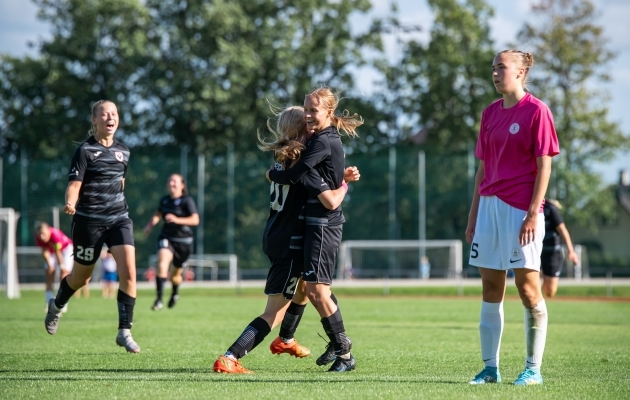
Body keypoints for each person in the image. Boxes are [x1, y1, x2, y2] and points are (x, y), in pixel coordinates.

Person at [213, 105, 359, 374]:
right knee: (274, 311)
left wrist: (339, 175)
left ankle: (287, 339)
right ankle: (230, 357)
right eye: (306, 122)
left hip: (275, 234)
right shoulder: (303, 164)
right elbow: (329, 199)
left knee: (305, 287)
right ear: (302, 128)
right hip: (290, 241)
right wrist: (344, 185)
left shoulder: (282, 159)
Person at [465, 50, 559, 386]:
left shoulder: (537, 111)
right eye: (493, 68)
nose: (495, 73)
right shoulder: (489, 113)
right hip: (489, 208)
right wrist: (473, 215)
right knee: (491, 286)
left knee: (528, 288)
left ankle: (533, 369)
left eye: (501, 67)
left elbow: (545, 165)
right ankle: (490, 369)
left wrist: (533, 213)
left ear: (521, 72)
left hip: (521, 209)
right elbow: (482, 168)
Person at [266, 88, 363, 373]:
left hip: (323, 226)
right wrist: (343, 179)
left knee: (318, 290)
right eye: (306, 110)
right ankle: (301, 339)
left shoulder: (321, 142)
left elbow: (302, 180)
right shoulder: (319, 141)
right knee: (309, 287)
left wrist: (271, 174)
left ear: (329, 113)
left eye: (313, 110)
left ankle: (343, 352)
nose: (308, 115)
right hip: (314, 224)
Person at [44, 100, 141, 353]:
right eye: (105, 114)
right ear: (94, 121)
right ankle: (57, 306)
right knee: (81, 278)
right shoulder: (85, 151)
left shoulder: (124, 151)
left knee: (129, 272)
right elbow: (74, 184)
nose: (111, 117)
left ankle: (124, 331)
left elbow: (121, 182)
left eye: (115, 114)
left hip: (119, 218)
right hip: (89, 222)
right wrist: (70, 203)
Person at [143, 174, 199, 310]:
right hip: (166, 237)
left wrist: (177, 219)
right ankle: (159, 299)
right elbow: (158, 214)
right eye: (169, 181)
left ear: (182, 185)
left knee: (175, 275)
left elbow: (195, 220)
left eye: (174, 181)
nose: (171, 183)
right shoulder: (165, 200)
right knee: (162, 263)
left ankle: (174, 293)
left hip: (184, 242)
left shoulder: (187, 201)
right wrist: (150, 225)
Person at [541, 198, 579, 298]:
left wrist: (571, 251)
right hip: (536, 252)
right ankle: (536, 305)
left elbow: (563, 230)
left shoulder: (550, 208)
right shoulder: (525, 206)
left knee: (550, 291)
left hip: (552, 252)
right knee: (531, 286)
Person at [35, 222, 73, 312]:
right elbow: (44, 251)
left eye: (43, 234)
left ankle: (62, 304)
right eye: (40, 234)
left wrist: (62, 266)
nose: (42, 237)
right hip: (52, 252)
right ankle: (48, 303)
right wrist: (50, 265)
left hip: (66, 250)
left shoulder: (55, 234)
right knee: (49, 272)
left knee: (63, 275)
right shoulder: (38, 236)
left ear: (48, 231)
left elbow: (58, 252)